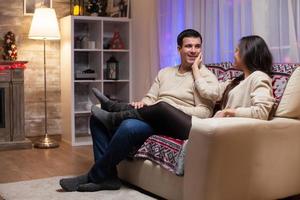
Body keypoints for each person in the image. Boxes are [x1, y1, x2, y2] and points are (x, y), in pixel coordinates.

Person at [59, 29, 218, 192]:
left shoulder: (205, 77)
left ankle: (95, 174)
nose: (193, 50)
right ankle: (109, 178)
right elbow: (150, 98)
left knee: (133, 123)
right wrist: (142, 104)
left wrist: (171, 106)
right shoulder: (165, 73)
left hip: (178, 124)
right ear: (179, 49)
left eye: (197, 46)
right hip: (154, 117)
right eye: (188, 46)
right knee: (97, 118)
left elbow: (205, 112)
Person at [91, 35, 275, 139]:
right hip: (212, 125)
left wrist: (230, 112)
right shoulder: (234, 80)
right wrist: (196, 69)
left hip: (210, 127)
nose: (234, 54)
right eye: (188, 46)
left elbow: (261, 112)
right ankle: (114, 110)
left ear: (248, 53)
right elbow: (209, 92)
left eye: (237, 50)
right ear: (179, 48)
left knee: (162, 106)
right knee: (158, 106)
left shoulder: (259, 78)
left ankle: (114, 112)